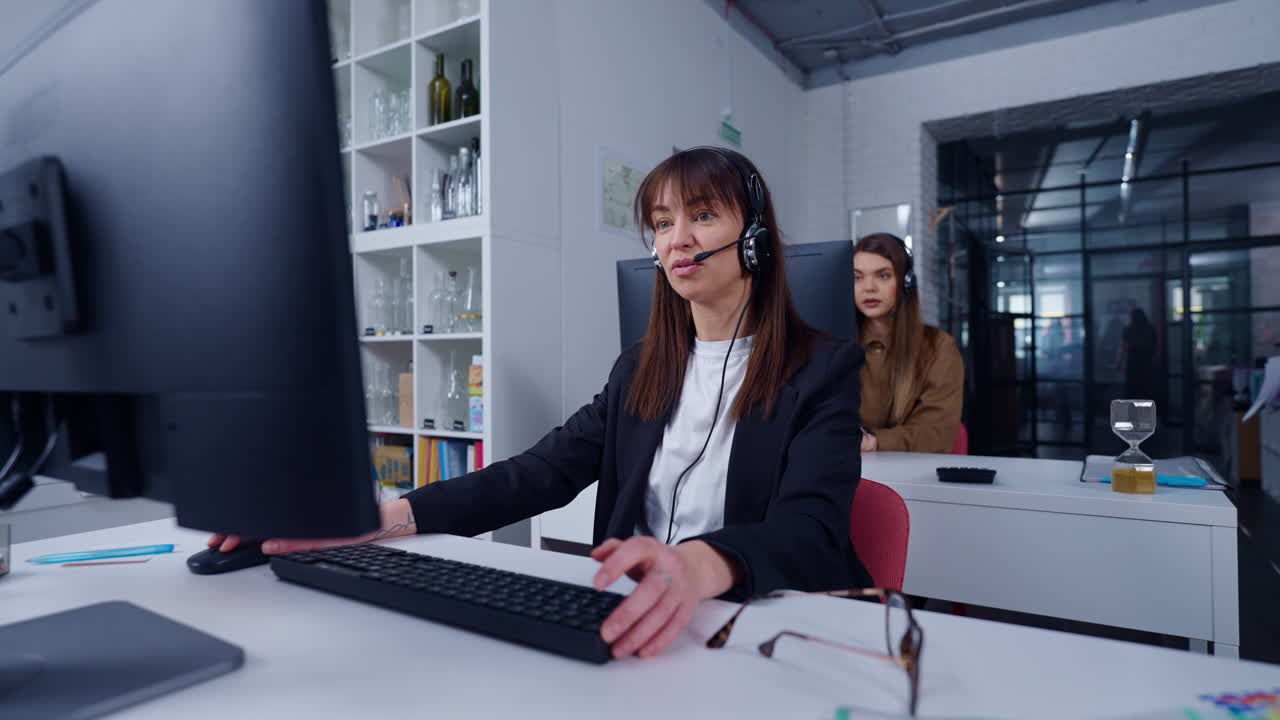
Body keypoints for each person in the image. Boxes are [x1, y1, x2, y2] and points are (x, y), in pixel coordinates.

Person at [209, 147, 872, 659]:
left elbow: (811, 531)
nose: (676, 241)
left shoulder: (822, 368)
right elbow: (537, 474)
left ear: (753, 238)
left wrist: (697, 565)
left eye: (702, 216)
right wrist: (377, 520)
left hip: (752, 625)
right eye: (662, 224)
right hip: (634, 622)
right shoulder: (640, 369)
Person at [853, 233, 964, 453]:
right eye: (857, 277)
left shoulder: (938, 348)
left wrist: (874, 442)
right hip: (843, 470)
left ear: (905, 282)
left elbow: (936, 433)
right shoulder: (835, 346)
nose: (869, 287)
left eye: (883, 276)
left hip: (912, 474)